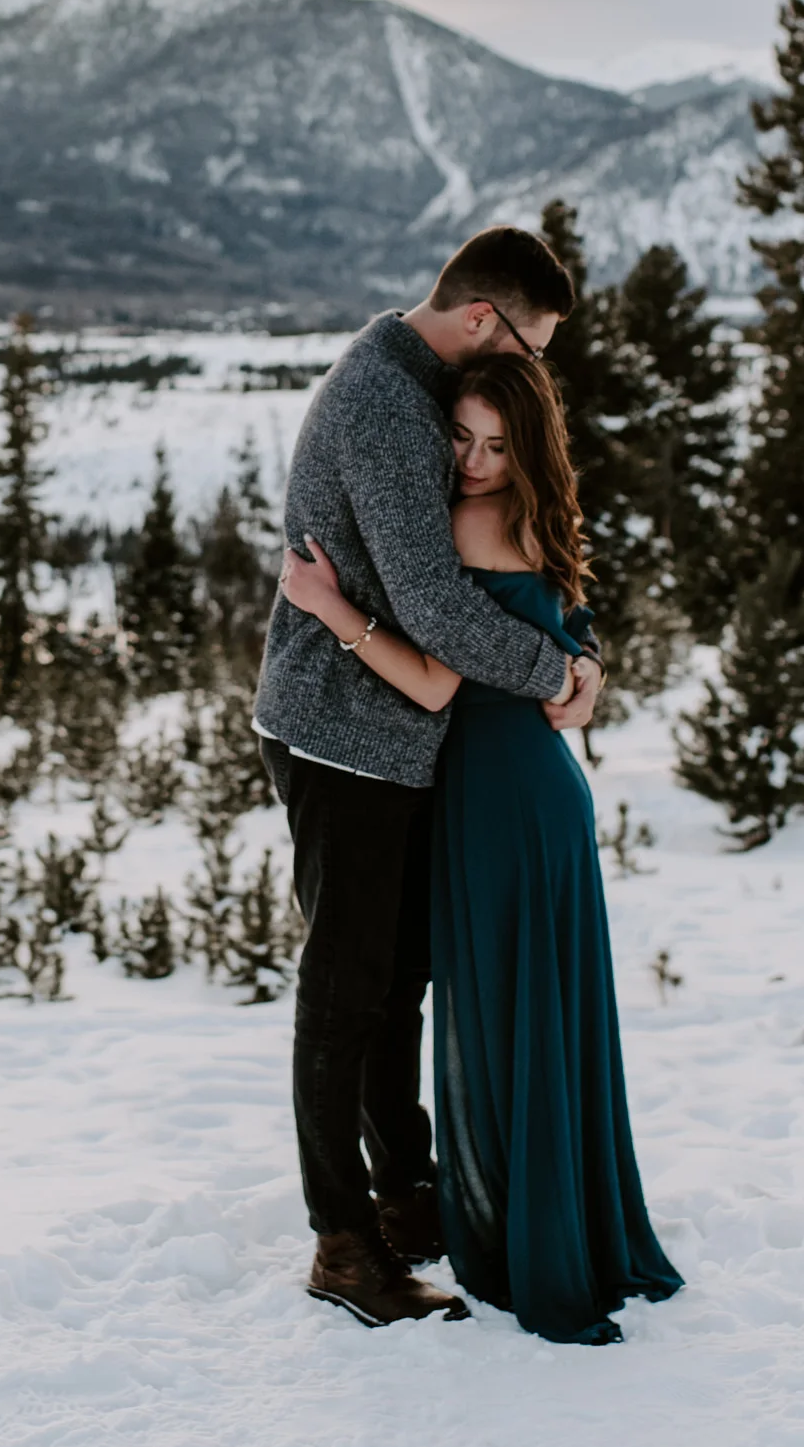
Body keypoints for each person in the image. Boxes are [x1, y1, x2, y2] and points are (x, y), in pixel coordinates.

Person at [283, 351, 682, 1345]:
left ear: (527, 448)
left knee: (504, 1006)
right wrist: (580, 669)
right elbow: (570, 624)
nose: (469, 460)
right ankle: (552, 1209)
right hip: (536, 792)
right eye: (458, 437)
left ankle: (516, 1224)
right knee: (533, 1009)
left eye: (496, 445)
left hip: (496, 796)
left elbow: (432, 682)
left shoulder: (466, 526)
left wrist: (331, 610)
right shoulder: (544, 518)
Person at [254, 225, 603, 1328]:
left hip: (399, 736)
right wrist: (557, 671)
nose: (531, 371)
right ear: (483, 321)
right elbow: (437, 607)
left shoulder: (417, 389)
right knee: (347, 989)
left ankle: (405, 1190)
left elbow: (503, 569)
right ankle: (342, 1241)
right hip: (344, 731)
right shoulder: (386, 407)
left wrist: (581, 653)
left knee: (396, 976)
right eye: (531, 347)